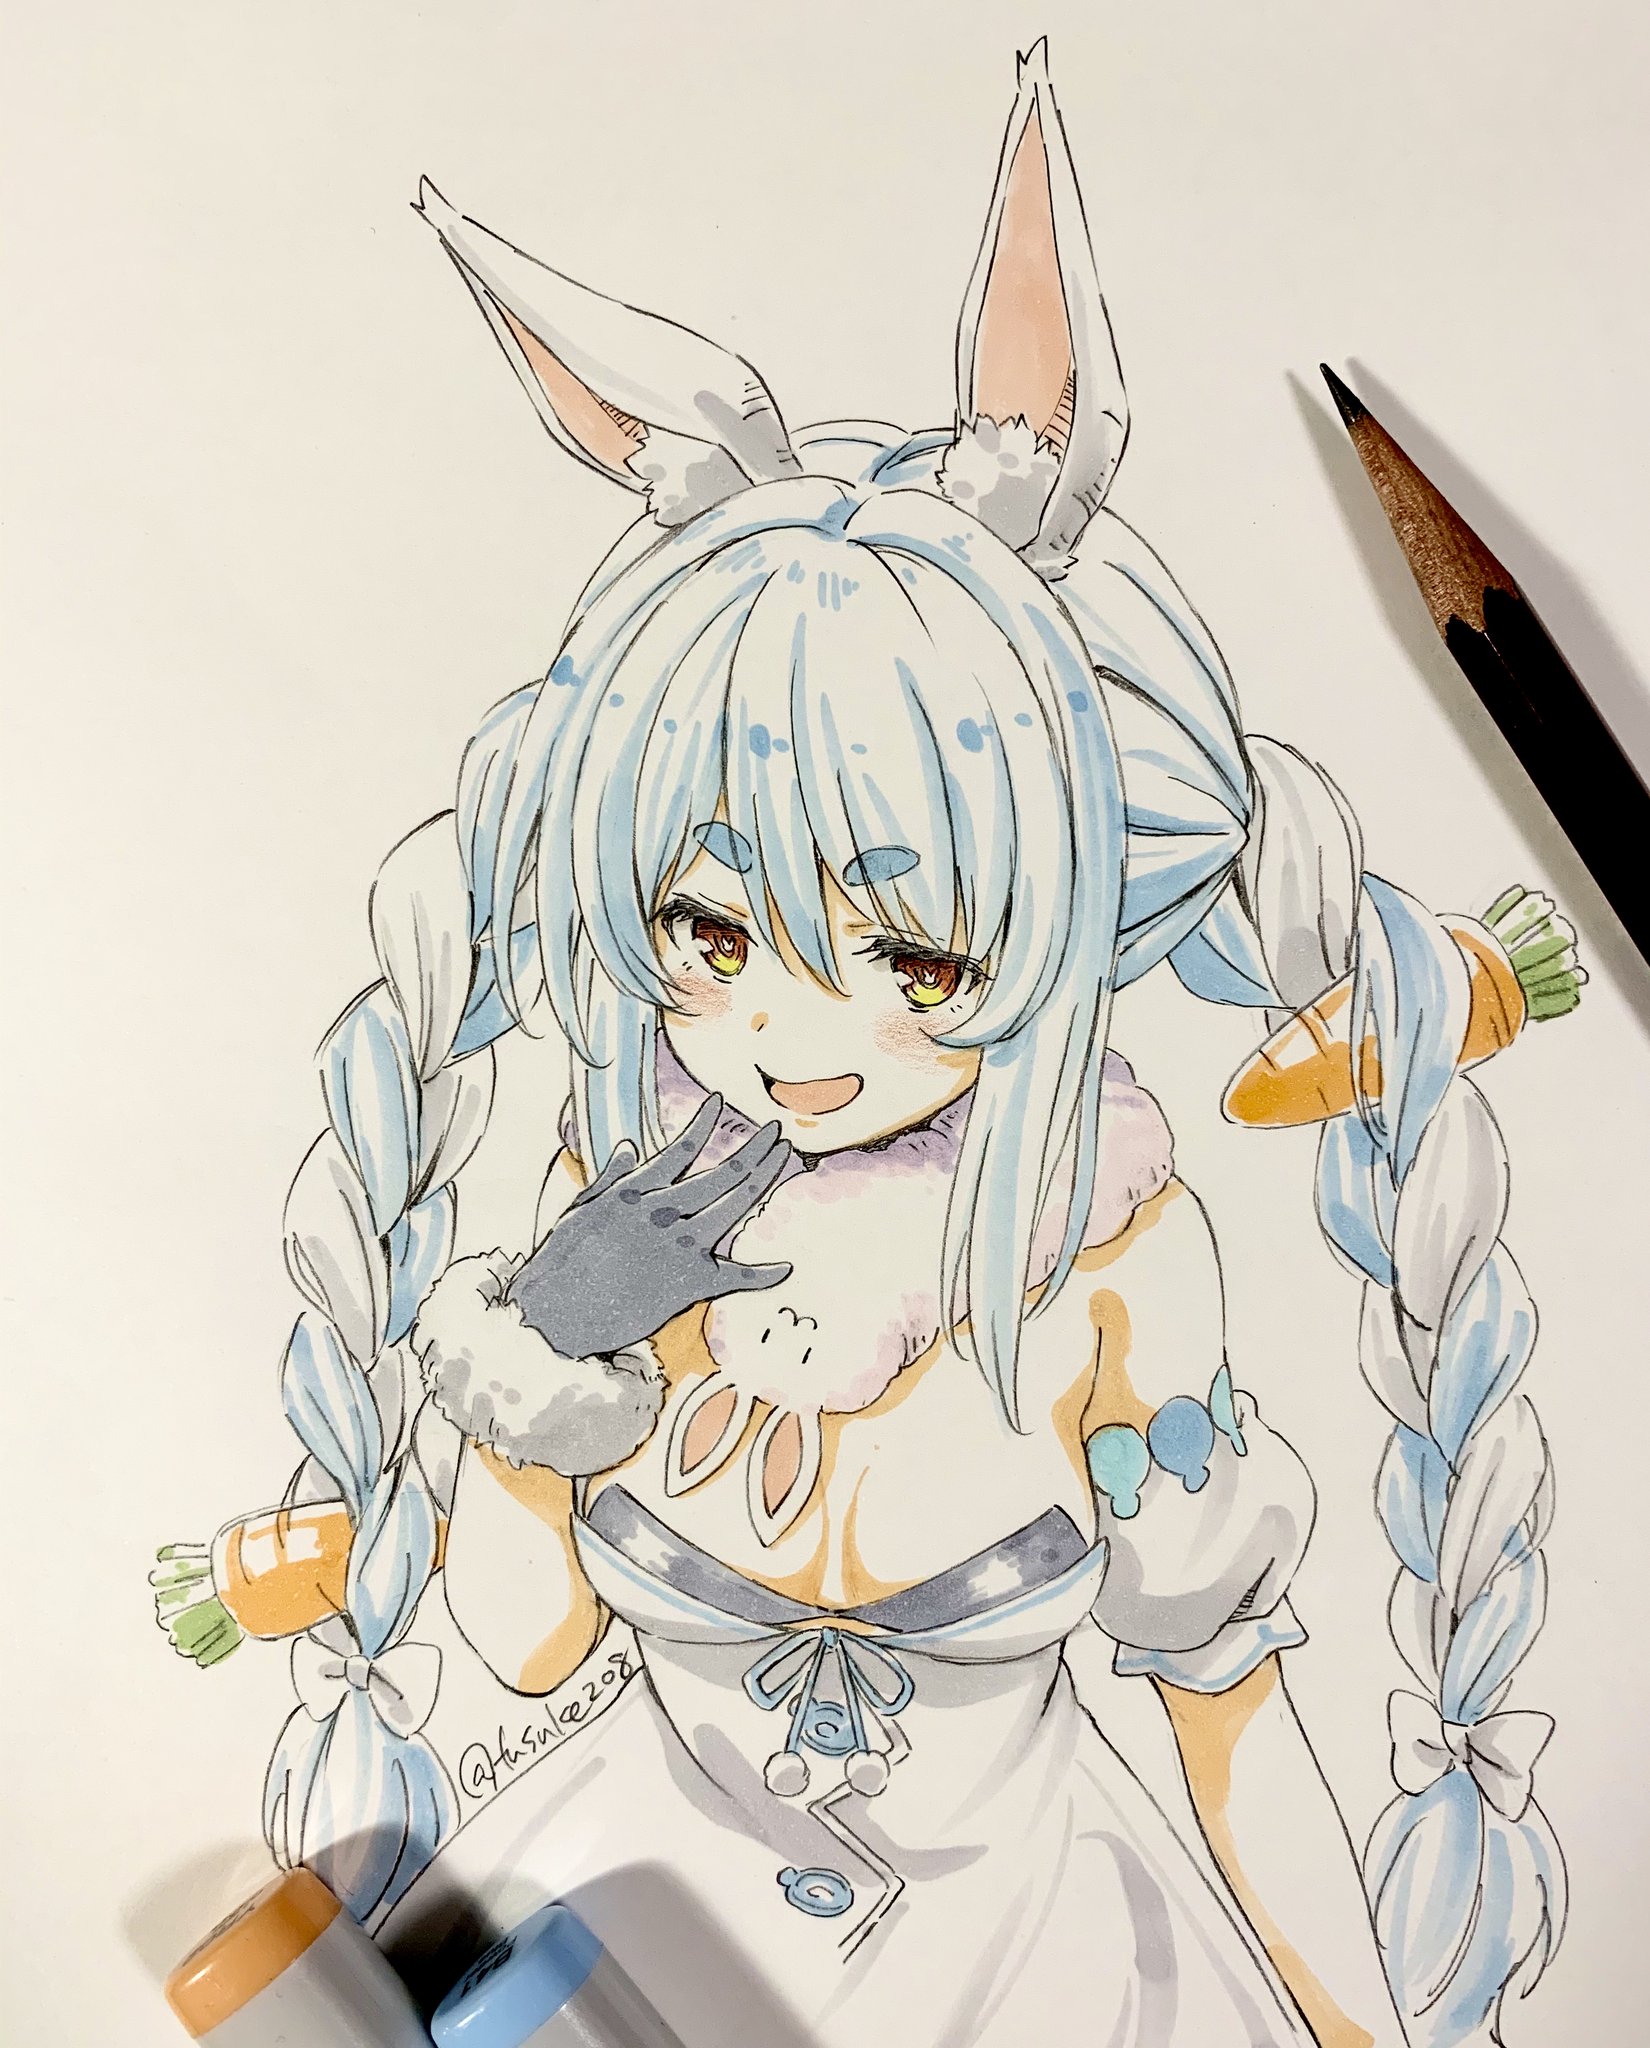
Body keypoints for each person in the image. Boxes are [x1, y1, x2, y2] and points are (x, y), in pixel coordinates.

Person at [154, 44, 1570, 2048]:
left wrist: (1359, 2031)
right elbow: (528, 1636)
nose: (788, 1040)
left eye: (914, 954)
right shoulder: (633, 1193)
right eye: (707, 934)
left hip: (1048, 1964)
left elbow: (1229, 1717)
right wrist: (537, 1362)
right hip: (618, 1933)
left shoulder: (1101, 1252)